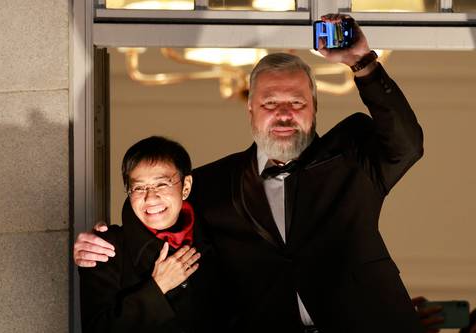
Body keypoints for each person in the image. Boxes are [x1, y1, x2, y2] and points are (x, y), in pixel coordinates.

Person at [75, 14, 425, 332]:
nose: (284, 114)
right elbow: (157, 208)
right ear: (251, 110)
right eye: (270, 104)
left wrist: (362, 62)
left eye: (297, 103)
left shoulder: (352, 157)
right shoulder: (212, 184)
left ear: (315, 107)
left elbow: (407, 144)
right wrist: (105, 243)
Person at [78, 136, 216, 333]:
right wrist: (157, 287)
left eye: (161, 184)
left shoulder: (215, 237)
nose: (150, 197)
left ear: (185, 187)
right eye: (139, 188)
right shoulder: (105, 247)